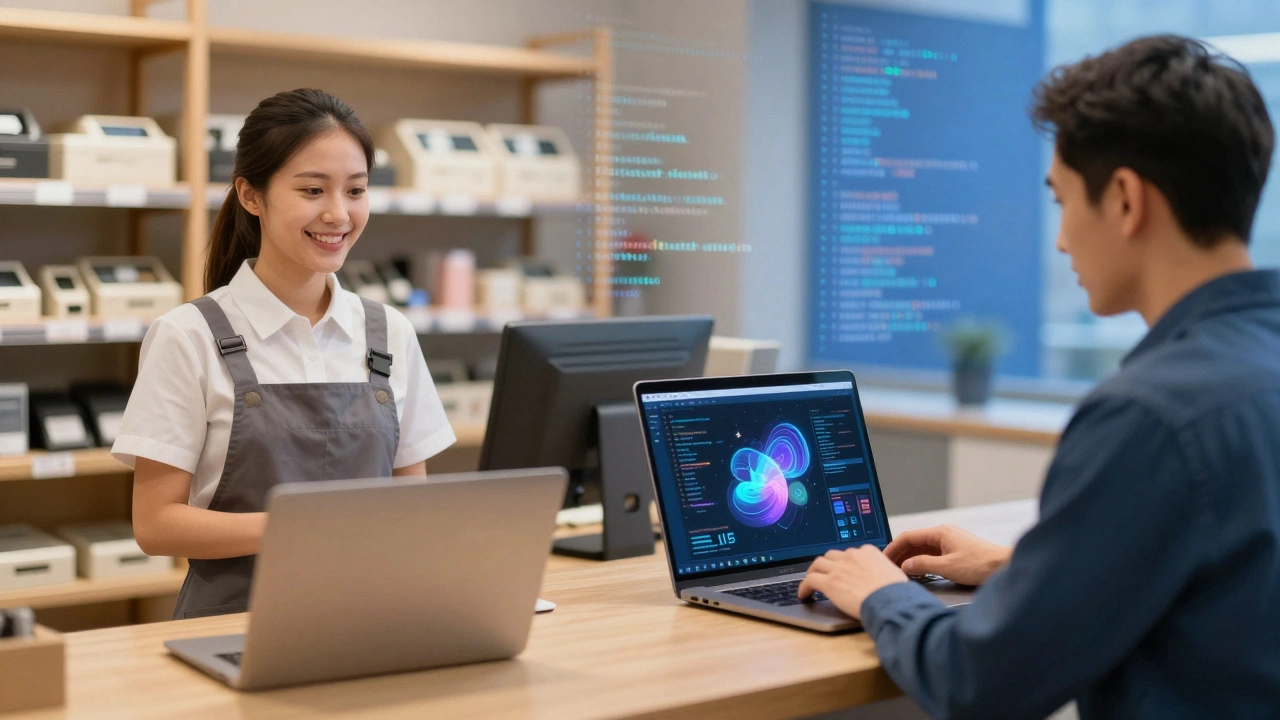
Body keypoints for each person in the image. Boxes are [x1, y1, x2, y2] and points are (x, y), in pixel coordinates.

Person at [799, 35, 1280, 719]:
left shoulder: (1151, 415)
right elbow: (1231, 592)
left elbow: (979, 684)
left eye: (1061, 201)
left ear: (1123, 199)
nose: (1060, 240)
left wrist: (879, 591)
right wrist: (1020, 573)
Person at [112, 89, 456, 620]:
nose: (338, 214)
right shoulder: (187, 336)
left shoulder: (390, 334)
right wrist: (304, 527)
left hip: (372, 620)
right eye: (313, 190)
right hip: (231, 631)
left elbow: (411, 507)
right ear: (251, 196)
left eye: (356, 190)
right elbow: (156, 525)